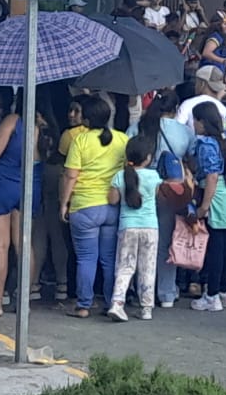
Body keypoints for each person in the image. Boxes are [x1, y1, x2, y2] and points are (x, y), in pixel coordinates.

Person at [0, 88, 41, 318]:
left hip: (1, 184)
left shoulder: (13, 120)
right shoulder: (45, 126)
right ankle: (23, 302)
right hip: (30, 186)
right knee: (24, 244)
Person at [59, 96, 126, 319]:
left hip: (85, 205)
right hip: (112, 205)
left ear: (86, 119)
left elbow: (70, 176)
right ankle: (111, 303)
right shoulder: (121, 139)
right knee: (109, 258)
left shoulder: (80, 140)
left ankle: (83, 305)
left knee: (86, 258)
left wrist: (64, 203)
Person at [189, 101, 226, 312]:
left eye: (195, 120)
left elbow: (211, 176)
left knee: (215, 247)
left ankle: (211, 295)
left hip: (217, 193)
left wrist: (204, 206)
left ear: (202, 122)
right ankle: (224, 290)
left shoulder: (206, 144)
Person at [105, 135, 164, 322]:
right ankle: (146, 308)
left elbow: (112, 200)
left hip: (127, 227)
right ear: (148, 158)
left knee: (125, 266)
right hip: (150, 227)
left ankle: (117, 303)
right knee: (148, 267)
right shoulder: (154, 176)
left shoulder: (120, 176)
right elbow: (156, 196)